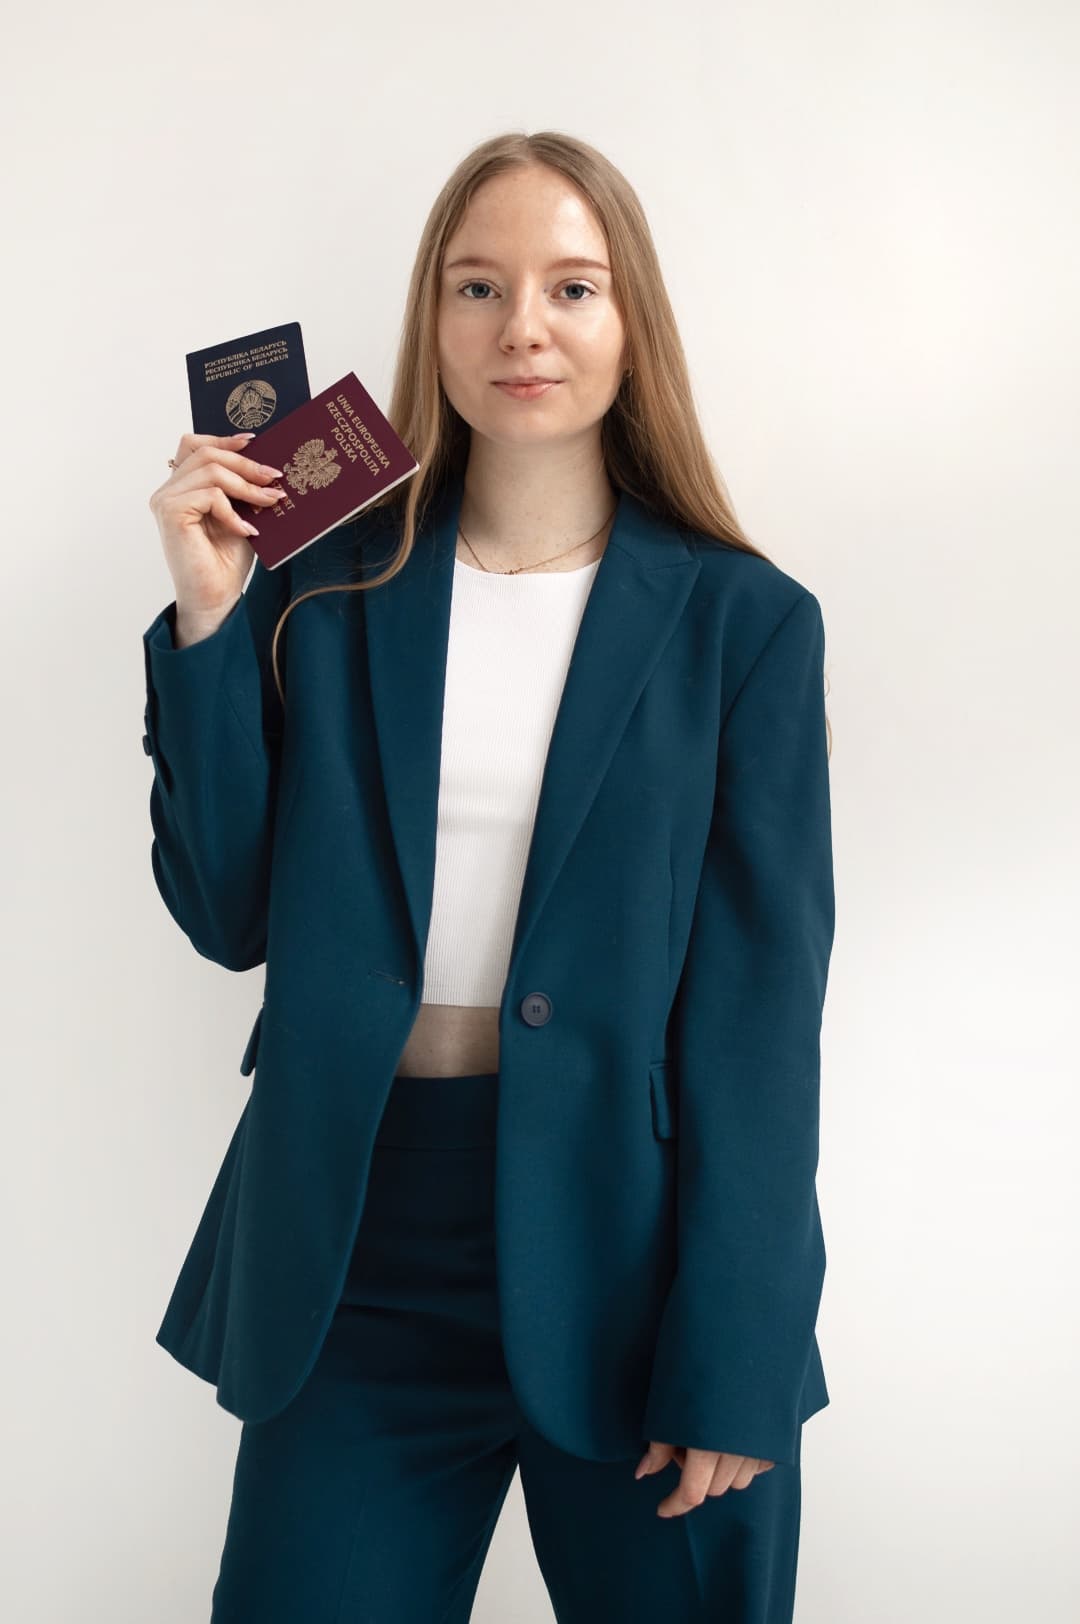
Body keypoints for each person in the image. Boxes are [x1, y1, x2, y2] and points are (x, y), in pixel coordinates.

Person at [142, 129, 835, 1623]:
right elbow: (230, 912)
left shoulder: (746, 624)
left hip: (639, 1262)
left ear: (627, 322)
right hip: (356, 1249)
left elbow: (761, 1025)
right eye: (479, 286)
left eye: (571, 287)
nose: (523, 326)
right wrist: (209, 624)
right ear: (432, 320)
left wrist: (737, 1351)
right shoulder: (327, 589)